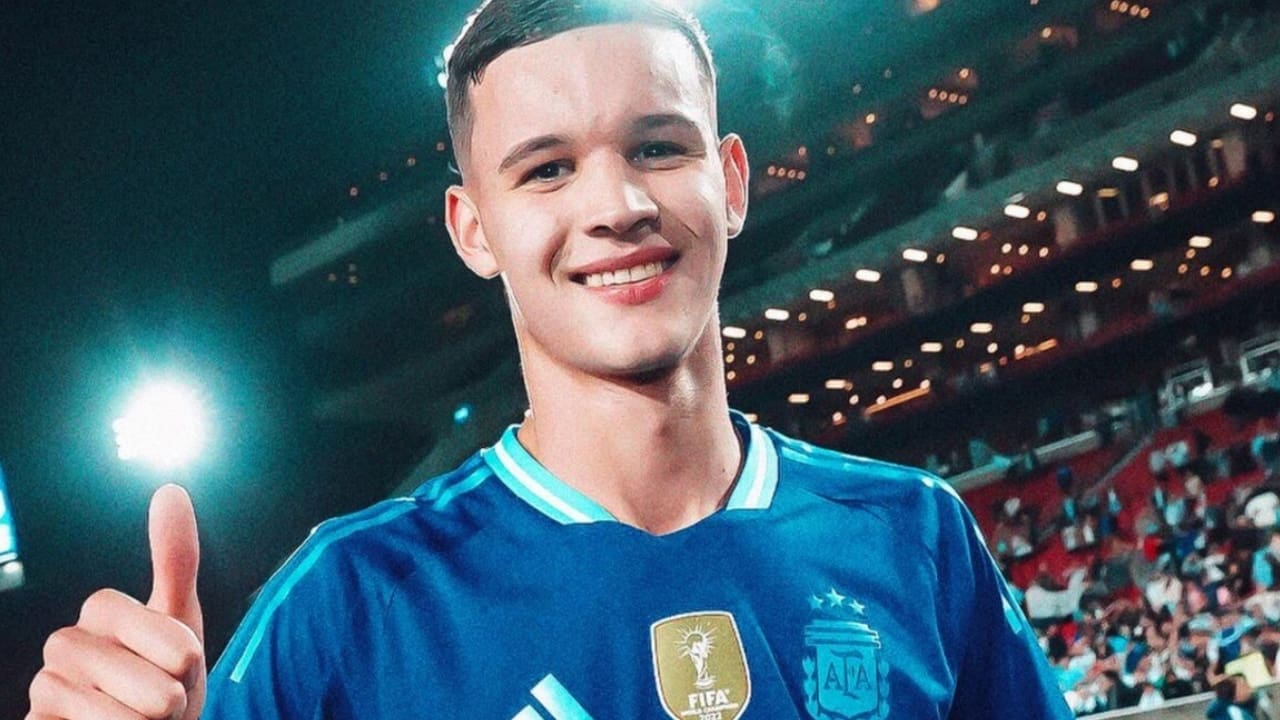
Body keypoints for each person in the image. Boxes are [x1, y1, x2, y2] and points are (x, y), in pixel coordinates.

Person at [25, 1, 1074, 718]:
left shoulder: (914, 537)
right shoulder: (348, 603)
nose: (616, 206)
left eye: (657, 146)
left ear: (731, 181)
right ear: (473, 228)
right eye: (546, 169)